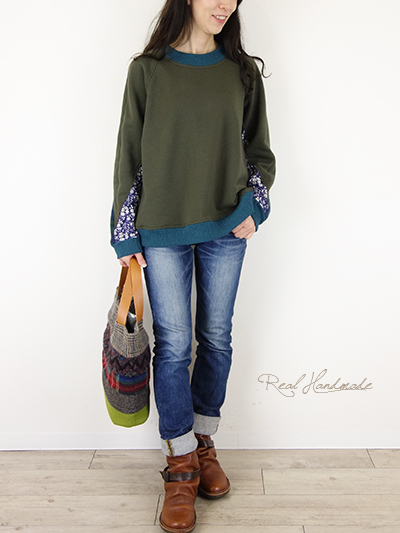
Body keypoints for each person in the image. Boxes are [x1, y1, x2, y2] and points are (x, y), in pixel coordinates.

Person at [110, 0, 276, 531]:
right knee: (175, 345)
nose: (225, 4)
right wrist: (124, 230)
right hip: (162, 228)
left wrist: (254, 206)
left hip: (227, 226)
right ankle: (180, 464)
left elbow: (260, 152)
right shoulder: (147, 71)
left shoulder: (241, 72)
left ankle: (204, 442)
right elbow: (128, 153)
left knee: (217, 339)